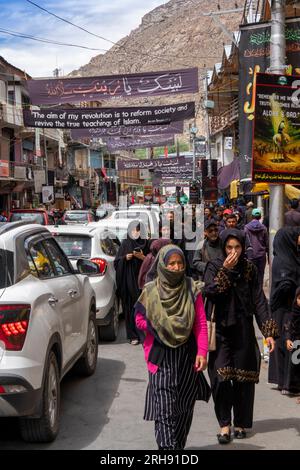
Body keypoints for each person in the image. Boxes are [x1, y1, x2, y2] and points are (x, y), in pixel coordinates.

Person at [203, 228, 278, 444]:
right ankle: (224, 424)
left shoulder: (250, 269)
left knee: (243, 380)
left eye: (237, 247)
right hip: (220, 331)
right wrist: (225, 271)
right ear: (223, 248)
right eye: (229, 247)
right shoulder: (215, 266)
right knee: (220, 379)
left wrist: (268, 333)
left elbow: (259, 302)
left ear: (243, 247)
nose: (233, 251)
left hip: (243, 330)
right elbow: (209, 291)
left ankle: (242, 423)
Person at [135, 244, 210, 450]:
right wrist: (159, 325)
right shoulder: (150, 291)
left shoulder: (191, 288)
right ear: (162, 265)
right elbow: (139, 319)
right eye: (172, 263)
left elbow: (200, 323)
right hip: (160, 358)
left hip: (187, 357)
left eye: (180, 263)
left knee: (184, 409)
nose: (176, 267)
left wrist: (202, 352)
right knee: (165, 411)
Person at [268, 227, 300, 394]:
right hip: (287, 309)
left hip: (280, 309)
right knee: (288, 343)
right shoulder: (287, 261)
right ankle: (289, 383)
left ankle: (283, 381)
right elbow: (285, 284)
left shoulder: (281, 257)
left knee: (283, 343)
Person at [114, 220, 149, 345]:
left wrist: (142, 258)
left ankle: (145, 334)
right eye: (133, 230)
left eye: (138, 230)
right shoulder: (125, 244)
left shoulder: (146, 244)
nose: (135, 233)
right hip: (129, 283)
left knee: (144, 308)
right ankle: (133, 335)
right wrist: (124, 258)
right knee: (130, 308)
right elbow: (116, 262)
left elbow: (153, 262)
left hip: (143, 282)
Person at [244, 208, 269, 288]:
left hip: (250, 255)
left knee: (251, 276)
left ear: (252, 216)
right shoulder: (264, 228)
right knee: (260, 275)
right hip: (261, 255)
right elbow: (267, 242)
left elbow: (245, 241)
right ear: (260, 216)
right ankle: (259, 293)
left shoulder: (246, 228)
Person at [286, 287, 300, 401]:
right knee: (296, 366)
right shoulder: (294, 311)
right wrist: (288, 339)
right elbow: (289, 327)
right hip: (297, 342)